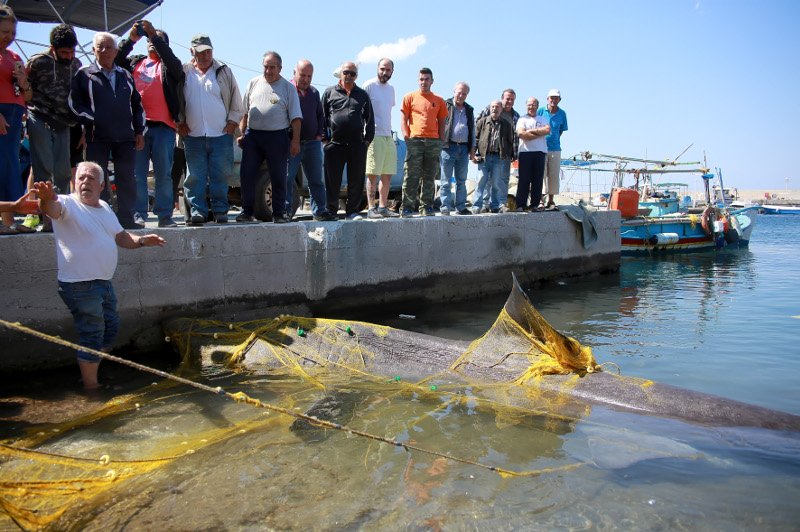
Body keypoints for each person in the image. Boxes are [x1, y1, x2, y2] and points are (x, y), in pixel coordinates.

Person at [33, 162, 165, 391]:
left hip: (103, 282)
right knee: (92, 332)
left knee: (111, 327)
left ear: (102, 185)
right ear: (74, 183)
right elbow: (51, 209)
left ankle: (90, 364)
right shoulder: (66, 203)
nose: (85, 182)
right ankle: (91, 388)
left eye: (91, 179)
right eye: (81, 178)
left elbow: (121, 237)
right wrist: (46, 199)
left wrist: (143, 241)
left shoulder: (104, 206)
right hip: (79, 285)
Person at [69, 31, 145, 230]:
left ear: (116, 50)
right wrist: (92, 120)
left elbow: (137, 105)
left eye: (108, 47)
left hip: (125, 136)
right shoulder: (84, 74)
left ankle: (127, 218)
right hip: (97, 136)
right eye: (99, 47)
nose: (104, 51)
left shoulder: (125, 75)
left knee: (127, 177)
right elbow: (74, 103)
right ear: (93, 50)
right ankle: (98, 218)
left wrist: (139, 131)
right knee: (96, 178)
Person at [116, 20, 185, 228]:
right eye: (150, 41)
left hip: (163, 127)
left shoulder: (170, 66)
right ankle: (138, 213)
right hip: (138, 128)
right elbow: (115, 60)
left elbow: (174, 65)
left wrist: (154, 35)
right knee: (138, 174)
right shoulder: (135, 62)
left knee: (164, 174)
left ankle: (165, 216)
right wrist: (131, 40)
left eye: (157, 40)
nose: (152, 43)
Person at [178, 34, 242, 226]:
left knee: (221, 175)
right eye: (201, 52)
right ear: (192, 52)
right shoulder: (184, 72)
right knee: (194, 176)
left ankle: (221, 210)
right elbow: (176, 101)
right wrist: (179, 122)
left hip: (221, 134)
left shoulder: (223, 71)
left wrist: (232, 123)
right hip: (193, 135)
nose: (206, 55)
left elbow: (236, 101)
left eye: (208, 51)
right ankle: (198, 211)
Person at [25, 23, 81, 230]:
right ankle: (43, 217)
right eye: (64, 52)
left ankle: (60, 215)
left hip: (64, 123)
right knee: (43, 169)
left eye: (71, 51)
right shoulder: (38, 62)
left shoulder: (76, 64)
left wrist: (81, 127)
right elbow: (21, 88)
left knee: (63, 172)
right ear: (53, 48)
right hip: (39, 116)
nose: (68, 56)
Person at [238, 51, 301, 224]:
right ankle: (246, 211)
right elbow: (244, 112)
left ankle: (279, 212)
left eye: (273, 67)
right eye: (266, 66)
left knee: (278, 176)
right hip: (254, 136)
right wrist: (242, 134)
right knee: (247, 174)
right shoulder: (253, 83)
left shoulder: (288, 88)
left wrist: (295, 141)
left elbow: (296, 118)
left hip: (277, 136)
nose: (269, 70)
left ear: (280, 68)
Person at [321, 61, 374, 221]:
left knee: (356, 180)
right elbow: (322, 116)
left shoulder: (362, 94)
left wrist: (367, 141)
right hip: (334, 145)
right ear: (341, 73)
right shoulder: (330, 92)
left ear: (356, 76)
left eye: (352, 73)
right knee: (332, 181)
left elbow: (369, 119)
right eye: (346, 72)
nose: (348, 76)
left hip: (357, 146)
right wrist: (325, 140)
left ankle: (352, 211)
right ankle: (331, 211)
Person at [286, 59, 335, 221]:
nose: (306, 79)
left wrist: (318, 136)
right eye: (302, 75)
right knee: (287, 178)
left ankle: (320, 211)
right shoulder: (286, 89)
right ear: (294, 73)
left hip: (312, 143)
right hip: (291, 142)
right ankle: (285, 211)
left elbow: (320, 115)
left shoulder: (314, 93)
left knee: (316, 180)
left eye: (309, 76)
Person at [0, 5, 32, 235]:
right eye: (4, 31)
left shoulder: (14, 57)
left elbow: (28, 96)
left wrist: (24, 82)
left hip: (13, 117)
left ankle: (8, 222)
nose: (8, 37)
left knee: (10, 166)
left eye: (12, 33)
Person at [400, 67, 447, 217]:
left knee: (429, 176)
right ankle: (406, 207)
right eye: (421, 79)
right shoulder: (409, 97)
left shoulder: (439, 100)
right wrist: (407, 136)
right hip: (415, 140)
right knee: (411, 175)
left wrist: (441, 140)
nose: (424, 82)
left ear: (432, 81)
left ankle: (426, 207)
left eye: (427, 79)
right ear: (418, 80)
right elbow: (403, 118)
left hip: (433, 142)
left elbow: (441, 121)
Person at [362, 58, 399, 219]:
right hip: (373, 135)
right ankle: (371, 208)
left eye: (388, 70)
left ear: (392, 72)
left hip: (387, 135)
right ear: (377, 68)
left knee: (387, 173)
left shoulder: (391, 89)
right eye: (382, 69)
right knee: (372, 174)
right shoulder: (368, 85)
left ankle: (383, 207)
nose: (385, 72)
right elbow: (360, 111)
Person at [475, 89, 520, 212]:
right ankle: (485, 204)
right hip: (487, 152)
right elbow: (477, 124)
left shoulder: (515, 116)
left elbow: (515, 137)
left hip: (504, 154)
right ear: (502, 98)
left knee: (502, 179)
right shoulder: (489, 108)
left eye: (512, 99)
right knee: (486, 179)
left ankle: (501, 204)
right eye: (507, 98)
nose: (509, 101)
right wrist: (476, 150)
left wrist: (514, 154)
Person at [439, 82, 475, 216]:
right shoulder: (445, 105)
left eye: (464, 93)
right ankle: (445, 207)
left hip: (463, 148)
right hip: (448, 147)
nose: (461, 95)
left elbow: (472, 130)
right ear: (454, 91)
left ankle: (461, 207)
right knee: (446, 180)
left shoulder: (469, 109)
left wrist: (472, 150)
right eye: (459, 92)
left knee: (461, 180)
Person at [515, 97, 550, 211]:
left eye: (533, 105)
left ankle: (534, 204)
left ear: (537, 106)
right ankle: (520, 205)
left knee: (537, 180)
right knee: (524, 180)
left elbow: (547, 130)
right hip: (525, 152)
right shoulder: (522, 119)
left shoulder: (543, 119)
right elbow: (521, 134)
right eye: (529, 105)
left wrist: (529, 132)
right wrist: (539, 132)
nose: (531, 107)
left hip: (540, 152)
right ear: (526, 106)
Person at [538, 88, 568, 210]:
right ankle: (540, 200)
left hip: (555, 148)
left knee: (553, 175)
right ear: (547, 99)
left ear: (559, 100)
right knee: (540, 174)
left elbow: (561, 130)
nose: (553, 100)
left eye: (556, 98)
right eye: (552, 98)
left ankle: (551, 200)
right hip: (540, 147)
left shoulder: (562, 114)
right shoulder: (540, 111)